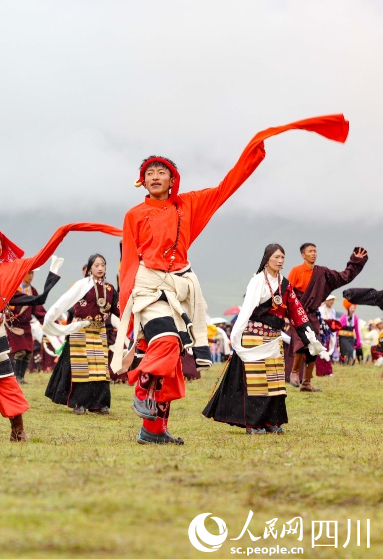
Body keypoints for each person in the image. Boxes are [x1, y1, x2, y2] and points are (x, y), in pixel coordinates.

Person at [111, 114, 350, 445]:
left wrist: (253, 154)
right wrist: (126, 311)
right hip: (149, 290)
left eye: (160, 171)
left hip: (180, 289)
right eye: (148, 172)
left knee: (172, 362)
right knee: (165, 343)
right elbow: (128, 263)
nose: (154, 176)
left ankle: (152, 431)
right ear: (142, 180)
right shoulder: (134, 215)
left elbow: (226, 188)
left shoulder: (188, 205)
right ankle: (143, 389)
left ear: (172, 179)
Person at [0, 222, 122, 442]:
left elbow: (39, 258)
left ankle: (18, 431)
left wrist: (61, 233)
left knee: (7, 384)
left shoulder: (12, 269)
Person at [203, 244, 325, 434]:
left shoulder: (284, 284)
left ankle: (271, 422)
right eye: (276, 257)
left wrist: (309, 336)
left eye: (282, 257)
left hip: (274, 339)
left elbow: (296, 310)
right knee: (258, 383)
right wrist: (236, 335)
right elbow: (247, 309)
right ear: (267, 259)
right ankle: (253, 424)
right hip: (255, 338)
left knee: (275, 383)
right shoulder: (257, 281)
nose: (280, 261)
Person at [44, 253, 119, 414]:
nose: (100, 268)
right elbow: (65, 302)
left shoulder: (110, 288)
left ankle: (98, 404)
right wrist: (51, 317)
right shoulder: (81, 285)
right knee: (82, 368)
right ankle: (79, 403)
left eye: (103, 265)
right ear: (90, 268)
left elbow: (117, 309)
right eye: (96, 265)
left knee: (100, 369)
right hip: (81, 330)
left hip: (99, 331)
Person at [286, 243, 367, 390]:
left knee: (315, 346)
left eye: (315, 251)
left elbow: (343, 277)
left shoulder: (322, 272)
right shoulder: (296, 271)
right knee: (302, 341)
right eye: (310, 251)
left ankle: (306, 383)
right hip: (298, 313)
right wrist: (286, 315)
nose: (313, 253)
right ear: (303, 255)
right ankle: (295, 372)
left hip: (313, 314)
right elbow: (286, 293)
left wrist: (356, 261)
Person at [337, 300, 362, 365]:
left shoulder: (355, 318)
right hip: (343, 337)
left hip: (351, 337)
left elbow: (357, 330)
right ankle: (343, 362)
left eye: (354, 308)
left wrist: (358, 341)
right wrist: (337, 336)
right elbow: (338, 327)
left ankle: (349, 362)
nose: (353, 310)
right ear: (348, 308)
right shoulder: (343, 317)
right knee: (344, 350)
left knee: (350, 350)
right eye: (351, 308)